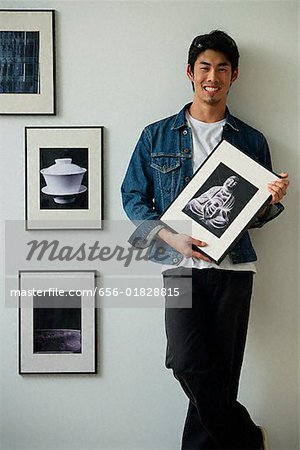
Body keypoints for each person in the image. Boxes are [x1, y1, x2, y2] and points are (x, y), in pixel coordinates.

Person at [121, 30, 289, 450]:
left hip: (235, 269)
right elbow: (131, 197)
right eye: (204, 67)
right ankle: (248, 439)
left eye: (222, 68)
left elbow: (256, 217)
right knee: (186, 362)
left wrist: (270, 201)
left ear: (234, 76)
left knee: (222, 373)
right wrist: (168, 236)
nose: (212, 76)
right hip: (180, 266)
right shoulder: (156, 136)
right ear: (190, 74)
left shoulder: (251, 140)